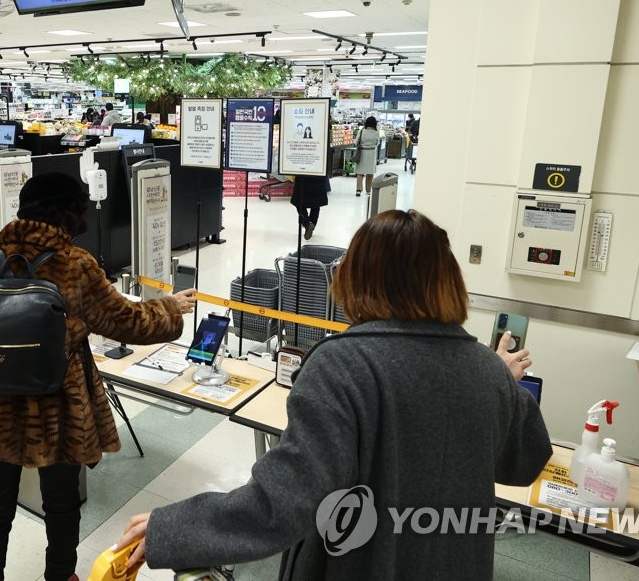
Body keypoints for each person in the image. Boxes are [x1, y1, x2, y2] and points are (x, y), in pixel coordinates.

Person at [114, 210, 552, 579]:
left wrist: (175, 529)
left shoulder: (343, 364)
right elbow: (525, 462)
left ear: (359, 278)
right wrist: (502, 386)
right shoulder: (485, 369)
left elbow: (283, 502)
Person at [0, 172, 196, 581]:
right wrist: (170, 308)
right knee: (62, 505)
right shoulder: (75, 266)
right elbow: (128, 323)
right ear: (69, 215)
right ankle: (60, 576)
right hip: (59, 411)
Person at [289, 174, 328, 240]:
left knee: (299, 203)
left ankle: (307, 224)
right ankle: (312, 223)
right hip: (318, 177)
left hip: (302, 177)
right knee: (316, 204)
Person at [355, 115, 381, 197]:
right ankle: (368, 190)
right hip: (372, 153)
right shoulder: (377, 132)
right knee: (370, 173)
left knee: (360, 172)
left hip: (362, 152)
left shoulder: (362, 131)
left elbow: (356, 142)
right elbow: (378, 143)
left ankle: (359, 190)